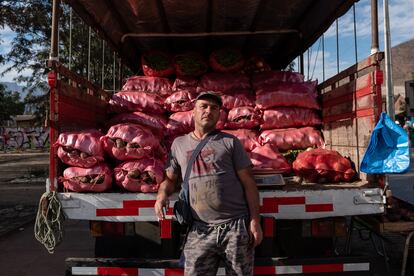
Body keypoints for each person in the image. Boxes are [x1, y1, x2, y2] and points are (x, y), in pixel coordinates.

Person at [154, 91, 263, 275]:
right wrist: (162, 195)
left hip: (235, 228)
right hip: (199, 229)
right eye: (203, 106)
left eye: (214, 108)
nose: (208, 111)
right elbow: (170, 180)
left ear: (219, 114)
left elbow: (249, 183)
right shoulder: (179, 144)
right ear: (193, 112)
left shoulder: (230, 142)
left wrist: (255, 221)